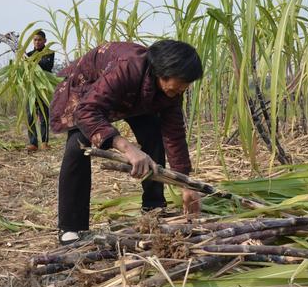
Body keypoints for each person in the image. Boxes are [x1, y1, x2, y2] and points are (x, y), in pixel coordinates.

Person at [50, 40, 203, 245]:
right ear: (161, 72)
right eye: (177, 86)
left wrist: (186, 183)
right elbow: (87, 111)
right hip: (90, 94)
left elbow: (174, 135)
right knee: (78, 146)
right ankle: (71, 228)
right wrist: (126, 148)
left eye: (185, 87)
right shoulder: (127, 68)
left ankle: (153, 206)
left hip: (135, 100)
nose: (181, 91)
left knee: (153, 134)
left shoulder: (171, 92)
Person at [26, 30, 55, 152]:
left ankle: (44, 142)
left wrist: (31, 60)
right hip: (31, 89)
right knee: (30, 115)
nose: (37, 42)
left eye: (39, 40)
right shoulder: (28, 54)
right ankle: (33, 143)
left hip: (43, 89)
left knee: (43, 115)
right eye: (35, 40)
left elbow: (47, 66)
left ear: (44, 41)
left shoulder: (49, 53)